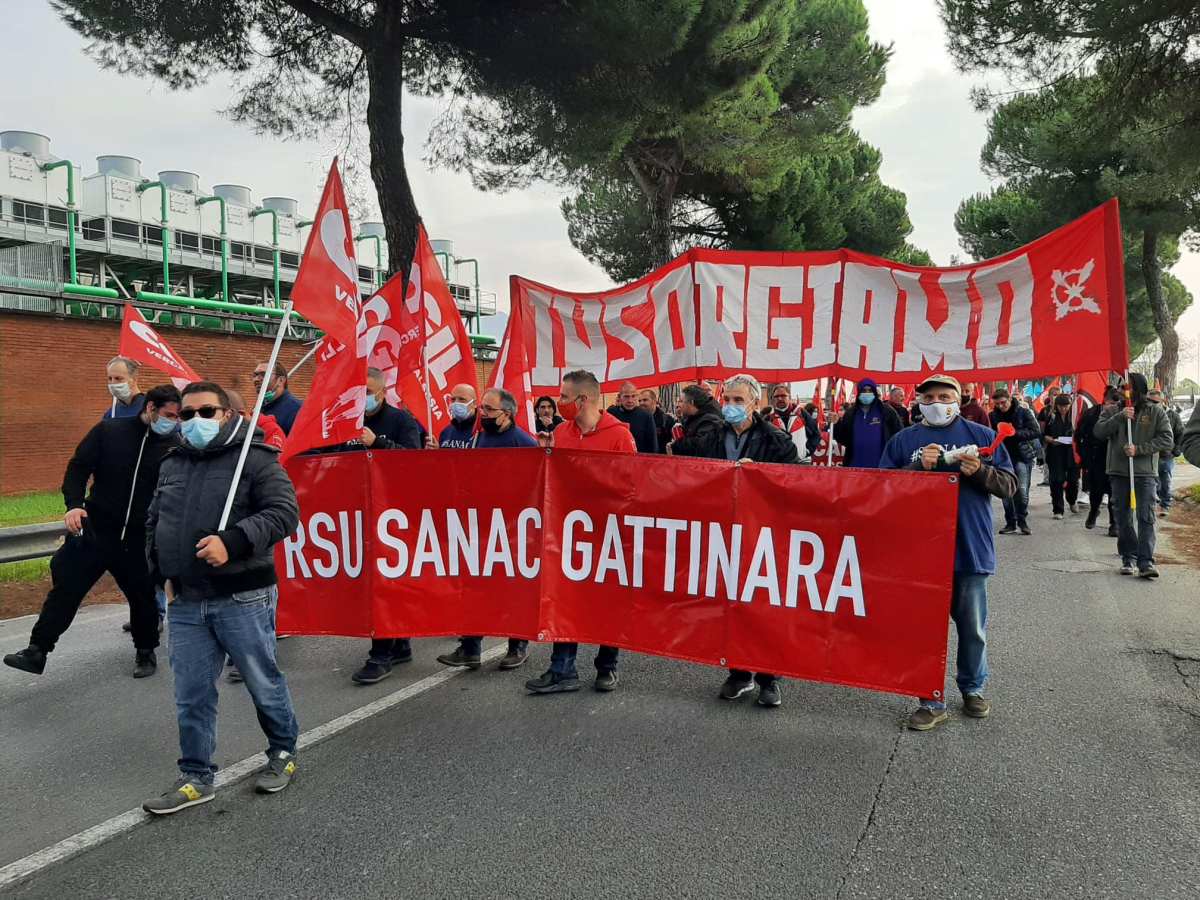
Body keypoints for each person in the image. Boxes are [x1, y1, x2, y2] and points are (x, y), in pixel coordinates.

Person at [142, 381, 301, 814]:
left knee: (261, 680)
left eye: (205, 412)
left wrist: (232, 541)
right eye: (186, 414)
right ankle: (196, 776)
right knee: (191, 692)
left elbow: (285, 513)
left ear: (227, 414)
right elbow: (155, 520)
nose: (195, 421)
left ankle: (282, 752)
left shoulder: (256, 458)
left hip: (243, 597)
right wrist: (161, 574)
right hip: (187, 601)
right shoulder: (172, 463)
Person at [4, 385, 182, 679]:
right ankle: (37, 650)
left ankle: (145, 652)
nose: (173, 422)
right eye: (168, 415)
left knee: (142, 597)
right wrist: (73, 505)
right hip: (97, 530)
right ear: (150, 408)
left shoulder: (174, 446)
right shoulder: (109, 432)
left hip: (138, 538)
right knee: (66, 590)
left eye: (177, 417)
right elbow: (77, 468)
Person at [879, 374, 1017, 732]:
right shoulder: (904, 440)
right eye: (930, 397)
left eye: (945, 396)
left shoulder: (982, 436)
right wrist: (916, 469)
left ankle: (973, 688)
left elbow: (1010, 485)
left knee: (972, 627)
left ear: (959, 400)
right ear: (919, 401)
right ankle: (930, 698)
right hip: (920, 553)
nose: (938, 402)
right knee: (926, 630)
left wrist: (980, 471)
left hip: (969, 547)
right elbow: (880, 487)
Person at [673, 374, 798, 707]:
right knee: (732, 604)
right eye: (727, 399)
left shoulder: (776, 440)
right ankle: (740, 672)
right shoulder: (711, 436)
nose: (730, 406)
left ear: (756, 404)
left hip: (763, 534)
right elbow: (690, 472)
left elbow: (796, 482)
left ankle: (770, 677)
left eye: (738, 401)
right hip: (724, 532)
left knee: (766, 605)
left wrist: (760, 475)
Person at [526, 370, 635, 694]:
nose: (558, 403)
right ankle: (562, 668)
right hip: (569, 532)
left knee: (606, 601)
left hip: (607, 532)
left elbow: (629, 486)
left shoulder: (619, 436)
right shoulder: (562, 432)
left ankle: (607, 666)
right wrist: (547, 455)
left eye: (563, 397)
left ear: (582, 399)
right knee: (566, 597)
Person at [436, 387, 538, 672]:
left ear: (506, 414)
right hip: (479, 526)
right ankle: (470, 648)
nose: (483, 414)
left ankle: (517, 645)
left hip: (511, 530)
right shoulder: (477, 437)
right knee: (474, 588)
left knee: (513, 589)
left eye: (489, 410)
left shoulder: (523, 443)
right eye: (481, 409)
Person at [347, 369, 425, 685]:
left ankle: (381, 655)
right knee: (376, 582)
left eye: (366, 390)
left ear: (381, 392)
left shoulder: (401, 421)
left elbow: (414, 462)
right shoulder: (348, 421)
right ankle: (400, 641)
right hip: (361, 510)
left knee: (386, 581)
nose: (361, 397)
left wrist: (377, 442)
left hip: (394, 515)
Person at [1094, 373, 1174, 578]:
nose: (1124, 392)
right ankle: (1128, 557)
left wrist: (1139, 449)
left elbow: (1167, 439)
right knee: (1123, 517)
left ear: (1139, 390)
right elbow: (1099, 432)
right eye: (1122, 388)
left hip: (1145, 474)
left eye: (1128, 388)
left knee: (1146, 517)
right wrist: (1120, 417)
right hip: (1119, 472)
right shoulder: (1112, 411)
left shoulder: (1155, 411)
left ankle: (1146, 561)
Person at [988, 387, 1039, 535]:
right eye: (997, 404)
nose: (1000, 406)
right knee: (1006, 492)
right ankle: (1010, 522)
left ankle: (1022, 521)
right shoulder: (992, 416)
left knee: (1022, 490)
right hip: (1002, 457)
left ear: (1010, 399)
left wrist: (1015, 433)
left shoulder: (1023, 412)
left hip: (1022, 456)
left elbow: (1035, 431)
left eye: (1003, 403)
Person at [1075, 386, 1121, 535]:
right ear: (1104, 401)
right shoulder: (1091, 413)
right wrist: (1084, 457)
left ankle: (1114, 523)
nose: (1113, 407)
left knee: (1115, 492)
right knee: (1096, 491)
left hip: (1116, 458)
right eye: (1110, 404)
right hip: (1096, 458)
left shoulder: (1122, 414)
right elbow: (1079, 435)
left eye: (1116, 404)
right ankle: (1094, 511)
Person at [831, 378, 902, 468]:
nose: (867, 393)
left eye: (870, 390)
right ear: (859, 392)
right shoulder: (850, 413)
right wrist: (837, 423)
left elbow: (899, 434)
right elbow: (843, 439)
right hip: (855, 467)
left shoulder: (886, 411)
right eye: (864, 390)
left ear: (874, 392)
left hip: (881, 467)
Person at [1042, 394, 1080, 519]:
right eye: (1060, 406)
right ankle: (1058, 509)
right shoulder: (1051, 417)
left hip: (1072, 453)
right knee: (1056, 481)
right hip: (1055, 453)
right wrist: (1050, 440)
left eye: (1066, 406)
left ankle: (1072, 499)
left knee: (1073, 480)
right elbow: (1043, 434)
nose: (1063, 409)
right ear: (1056, 406)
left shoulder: (1075, 417)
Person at [1148, 390, 1184, 517]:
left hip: (1166, 454)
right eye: (1149, 401)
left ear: (1162, 401)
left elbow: (1180, 433)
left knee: (1165, 479)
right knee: (1152, 480)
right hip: (1149, 453)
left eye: (1155, 402)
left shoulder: (1173, 415)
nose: (1151, 404)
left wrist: (1176, 449)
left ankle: (1165, 504)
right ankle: (1154, 501)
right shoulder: (1145, 414)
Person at [667, 384, 724, 456]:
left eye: (681, 401)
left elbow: (700, 447)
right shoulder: (693, 416)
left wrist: (675, 445)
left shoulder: (709, 421)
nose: (678, 405)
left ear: (691, 402)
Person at [607, 381, 658, 453]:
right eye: (626, 396)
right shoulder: (611, 413)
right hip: (617, 460)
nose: (630, 400)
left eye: (633, 396)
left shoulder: (646, 416)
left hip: (639, 461)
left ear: (637, 396)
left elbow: (653, 447)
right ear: (619, 397)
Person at [253, 361, 302, 434]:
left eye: (263, 374)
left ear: (281, 380)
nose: (256, 379)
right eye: (255, 375)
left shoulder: (298, 409)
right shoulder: (258, 407)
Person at [432, 383, 478, 448]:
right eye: (453, 399)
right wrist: (437, 452)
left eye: (462, 399)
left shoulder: (481, 432)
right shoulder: (446, 432)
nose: (456, 403)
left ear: (474, 403)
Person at [639, 389, 677, 454]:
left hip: (661, 460)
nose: (641, 403)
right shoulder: (637, 419)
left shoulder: (667, 420)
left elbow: (675, 443)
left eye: (645, 400)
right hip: (641, 459)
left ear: (654, 401)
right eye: (639, 401)